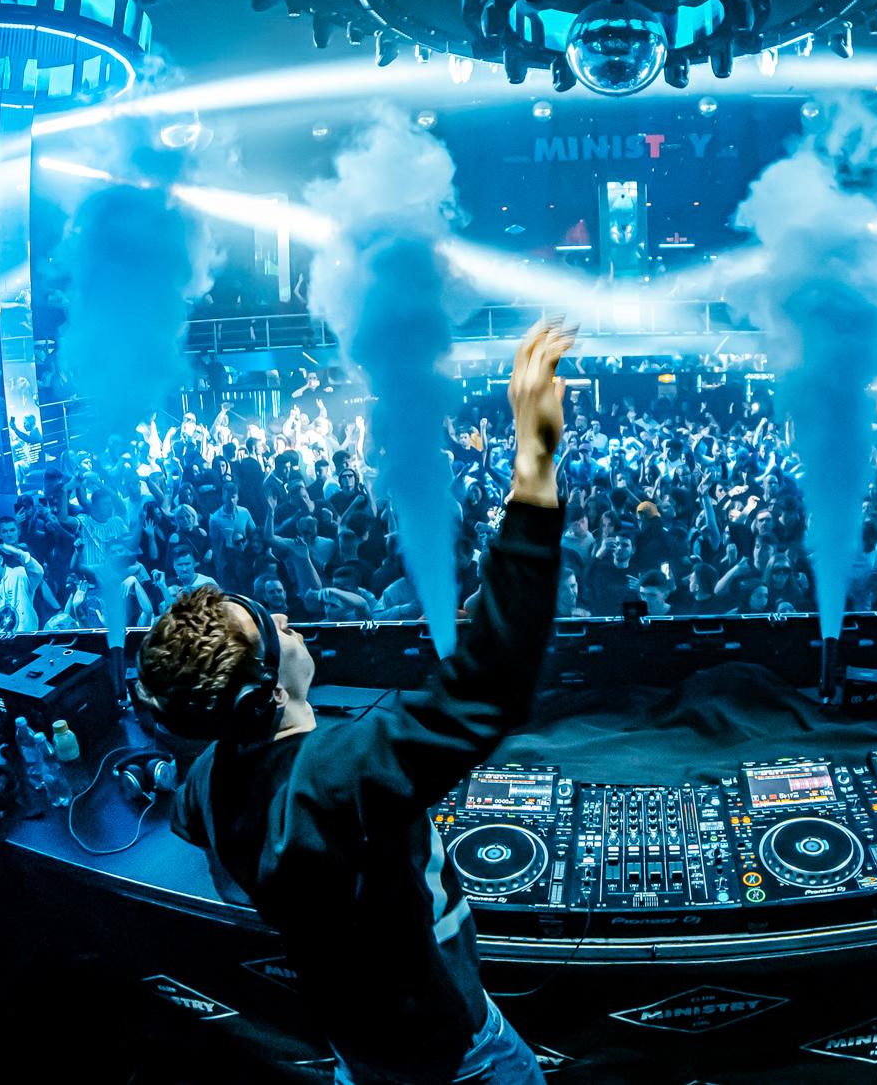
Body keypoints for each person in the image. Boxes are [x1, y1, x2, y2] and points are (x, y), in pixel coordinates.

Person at [138, 321, 574, 1085]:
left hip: (354, 1038)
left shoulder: (208, 779)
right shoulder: (340, 775)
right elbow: (491, 688)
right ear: (266, 693)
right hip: (451, 1049)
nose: (283, 616)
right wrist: (534, 463)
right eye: (268, 626)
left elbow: (205, 831)